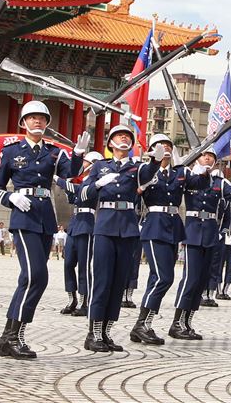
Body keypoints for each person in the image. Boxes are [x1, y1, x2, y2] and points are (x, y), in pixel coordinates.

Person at [0, 100, 86, 359]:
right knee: (36, 276)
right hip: (23, 217)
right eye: (32, 118)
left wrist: (77, 154)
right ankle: (14, 336)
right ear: (23, 123)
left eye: (42, 118)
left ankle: (7, 338)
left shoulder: (54, 153)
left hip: (45, 217)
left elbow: (71, 175)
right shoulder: (11, 152)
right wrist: (10, 198)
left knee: (29, 278)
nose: (37, 122)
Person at [79, 125, 163, 351]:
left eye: (127, 136)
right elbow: (82, 194)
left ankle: (106, 332)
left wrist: (156, 161)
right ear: (110, 142)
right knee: (102, 281)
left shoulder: (136, 168)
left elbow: (148, 174)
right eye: (119, 135)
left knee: (118, 283)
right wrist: (96, 184)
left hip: (127, 227)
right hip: (105, 226)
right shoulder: (100, 166)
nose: (123, 138)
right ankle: (93, 333)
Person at [171, 148, 231, 341]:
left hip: (211, 233)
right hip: (193, 232)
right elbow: (172, 185)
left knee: (201, 281)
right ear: (197, 158)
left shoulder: (219, 182)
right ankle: (176, 323)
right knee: (189, 279)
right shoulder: (189, 177)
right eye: (204, 155)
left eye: (211, 156)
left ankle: (188, 322)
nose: (207, 158)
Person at [129, 134, 187, 345]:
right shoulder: (146, 172)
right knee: (164, 278)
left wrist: (205, 170)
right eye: (162, 146)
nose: (167, 149)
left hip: (173, 228)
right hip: (154, 227)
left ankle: (144, 325)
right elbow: (132, 194)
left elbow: (197, 183)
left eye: (169, 145)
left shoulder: (178, 173)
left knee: (157, 278)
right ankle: (141, 324)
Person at [55, 150, 103, 317]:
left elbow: (77, 190)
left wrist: (58, 179)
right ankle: (72, 298)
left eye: (85, 163)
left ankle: (84, 301)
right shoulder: (83, 179)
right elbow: (71, 194)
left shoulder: (96, 181)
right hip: (75, 223)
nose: (82, 165)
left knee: (84, 266)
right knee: (68, 263)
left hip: (87, 224)